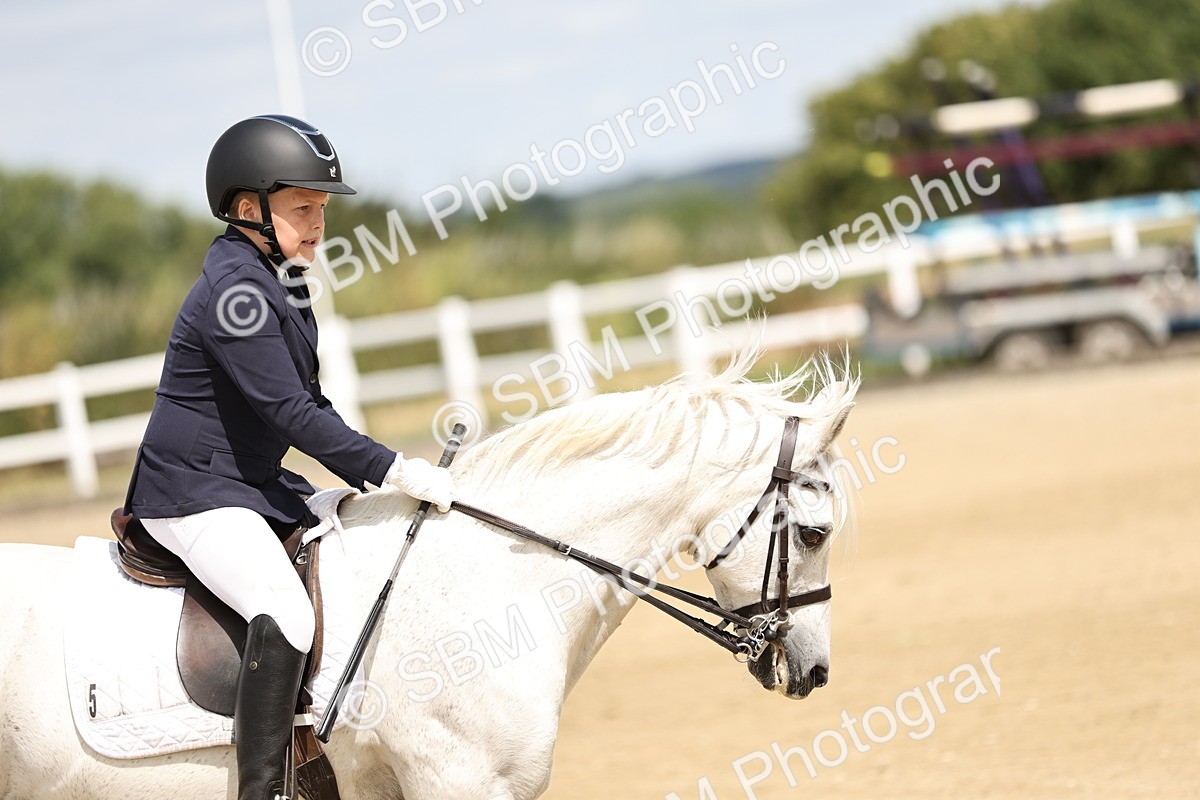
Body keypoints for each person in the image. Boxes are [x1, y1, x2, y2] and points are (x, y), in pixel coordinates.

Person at [124, 114, 454, 800]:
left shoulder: (280, 278)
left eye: (322, 209)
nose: (318, 224)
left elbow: (310, 399)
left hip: (250, 481)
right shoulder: (236, 294)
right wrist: (394, 468)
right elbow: (290, 415)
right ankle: (264, 791)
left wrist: (378, 476)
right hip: (194, 492)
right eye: (302, 208)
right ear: (249, 209)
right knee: (287, 612)